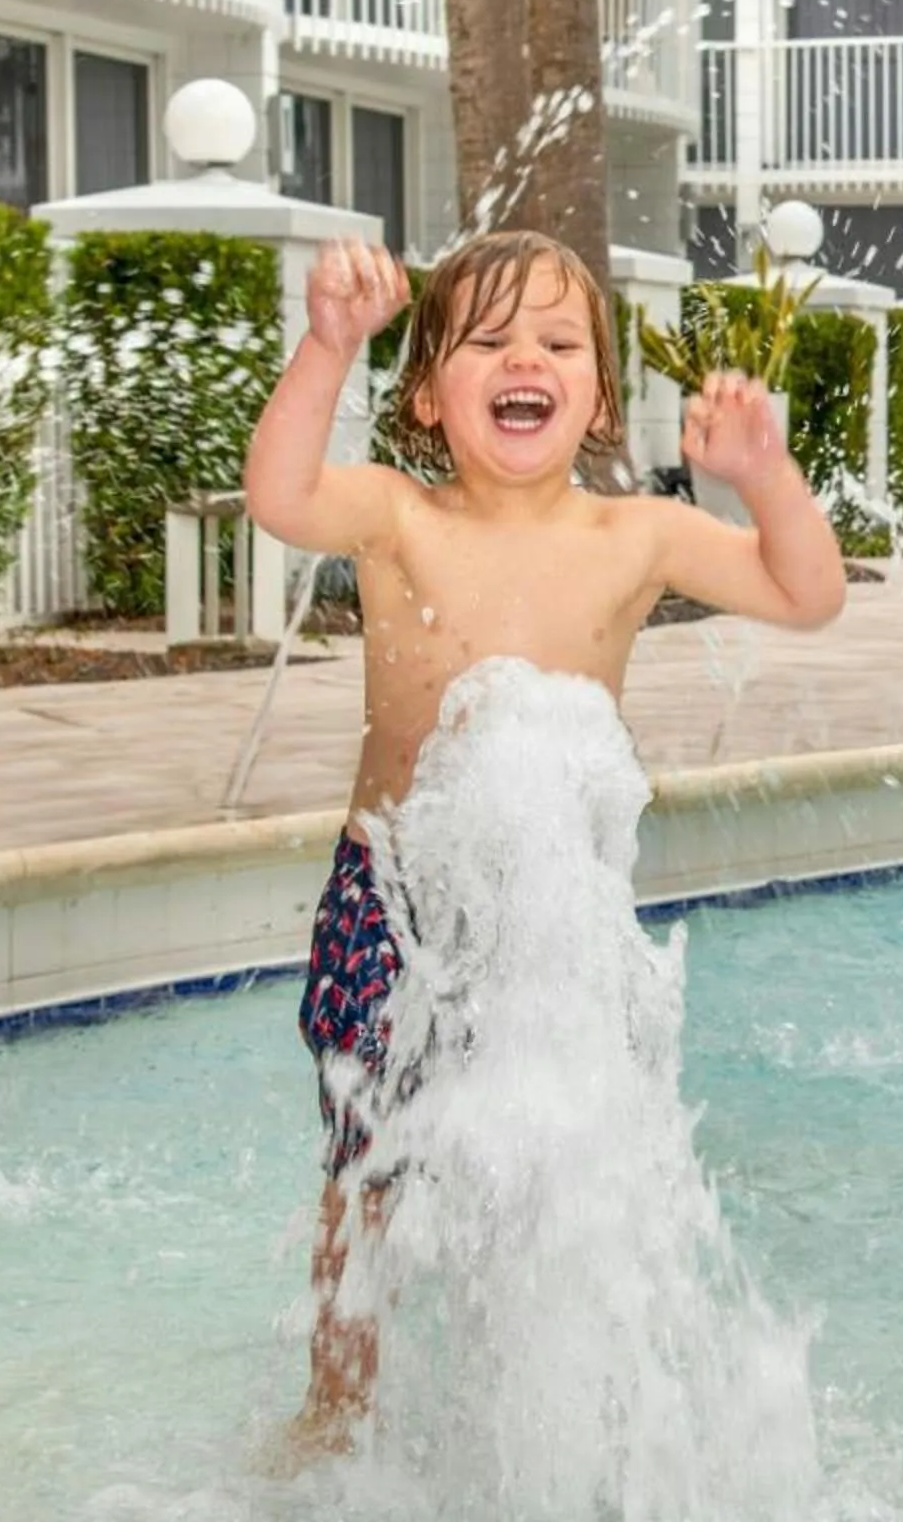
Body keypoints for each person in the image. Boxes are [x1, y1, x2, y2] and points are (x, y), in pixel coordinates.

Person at [243, 229, 846, 1457]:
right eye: (489, 340)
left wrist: (764, 473)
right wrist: (326, 343)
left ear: (599, 392)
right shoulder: (395, 515)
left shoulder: (636, 535)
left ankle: (573, 1381)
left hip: (555, 912)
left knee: (565, 1151)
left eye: (559, 342)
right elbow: (280, 492)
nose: (528, 358)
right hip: (397, 896)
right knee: (369, 1169)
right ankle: (337, 1403)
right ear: (426, 392)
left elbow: (807, 592)